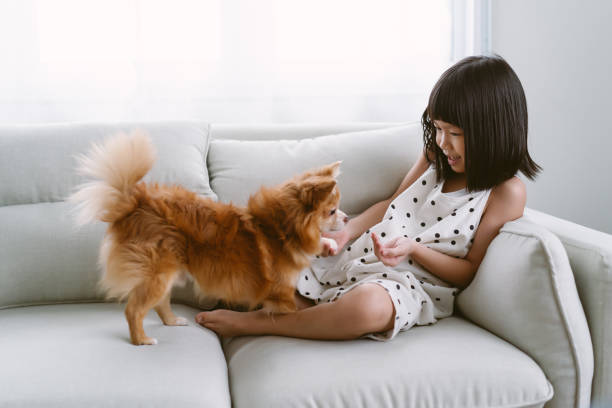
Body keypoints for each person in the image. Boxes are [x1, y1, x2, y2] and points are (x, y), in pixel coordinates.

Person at [195, 55, 542, 341]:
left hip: (405, 284)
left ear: (491, 132)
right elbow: (390, 205)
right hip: (357, 260)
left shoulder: (505, 193)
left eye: (454, 133)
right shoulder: (434, 158)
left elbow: (467, 273)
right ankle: (294, 310)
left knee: (367, 309)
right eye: (437, 129)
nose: (442, 142)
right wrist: (346, 233)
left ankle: (258, 324)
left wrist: (414, 249)